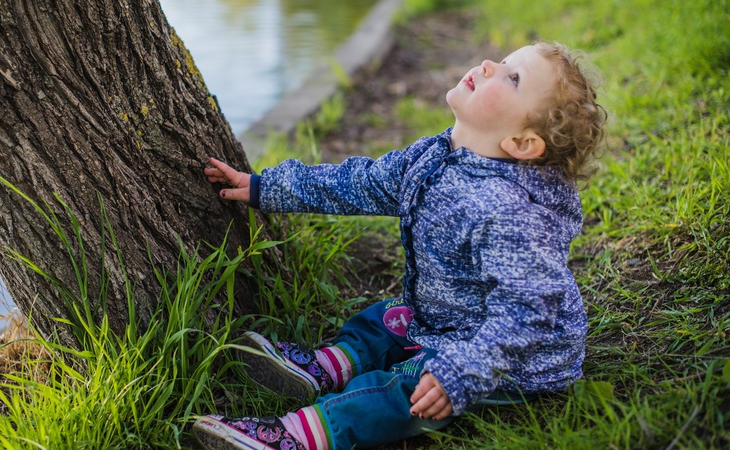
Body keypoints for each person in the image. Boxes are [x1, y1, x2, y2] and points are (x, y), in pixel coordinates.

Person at [194, 41, 606, 450]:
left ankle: (299, 434)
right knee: (386, 319)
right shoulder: (436, 156)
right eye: (502, 61)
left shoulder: (509, 211)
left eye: (512, 78)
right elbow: (360, 183)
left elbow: (530, 310)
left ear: (521, 143)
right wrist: (268, 188)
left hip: (509, 359)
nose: (487, 65)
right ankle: (327, 367)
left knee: (405, 389)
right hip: (447, 317)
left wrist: (462, 372)